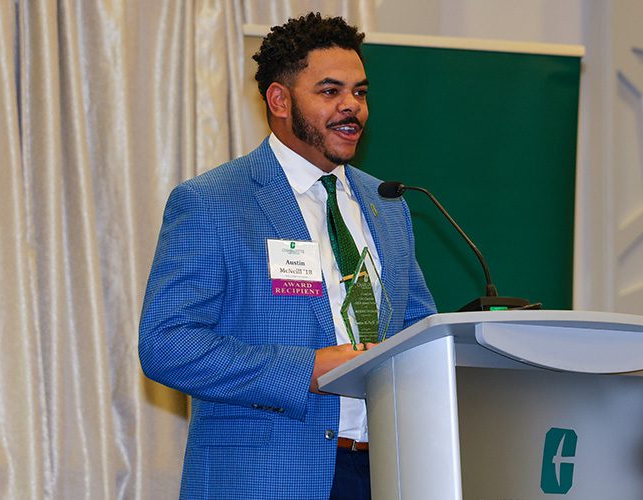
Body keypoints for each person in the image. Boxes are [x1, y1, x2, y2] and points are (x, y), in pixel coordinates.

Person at [138, 12, 436, 500]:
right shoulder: (215, 202)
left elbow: (416, 331)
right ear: (279, 100)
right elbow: (167, 346)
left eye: (360, 92)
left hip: (384, 473)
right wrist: (307, 371)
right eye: (330, 91)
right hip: (266, 479)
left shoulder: (387, 204)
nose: (352, 108)